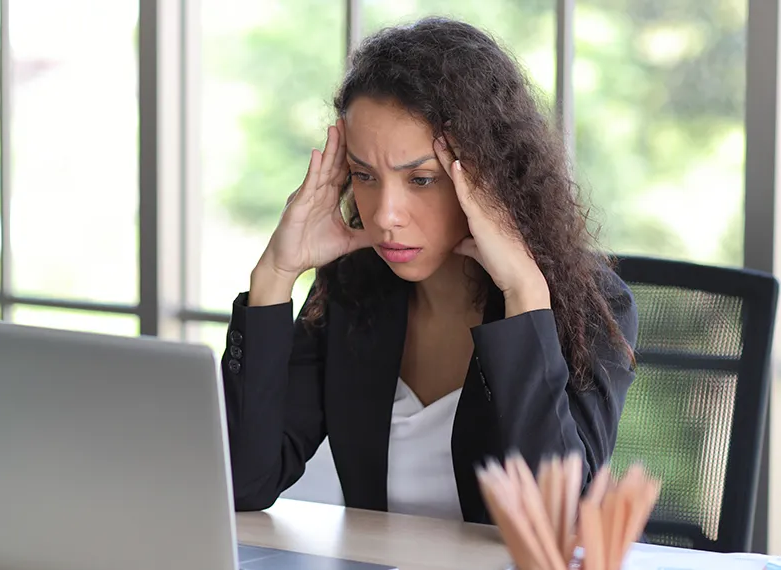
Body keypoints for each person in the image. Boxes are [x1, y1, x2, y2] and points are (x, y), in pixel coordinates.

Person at [220, 17, 639, 525]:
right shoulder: (352, 289)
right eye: (364, 176)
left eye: (421, 179)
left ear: (490, 178)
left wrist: (525, 294)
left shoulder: (589, 302)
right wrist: (274, 276)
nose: (384, 215)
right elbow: (245, 482)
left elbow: (557, 519)